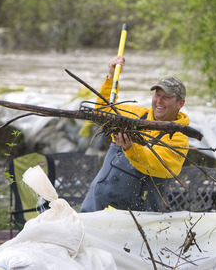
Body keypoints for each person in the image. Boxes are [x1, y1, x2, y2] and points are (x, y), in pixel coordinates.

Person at [80, 56, 189, 212]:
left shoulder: (178, 139)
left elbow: (158, 166)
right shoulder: (136, 115)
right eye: (157, 95)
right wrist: (111, 77)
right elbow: (103, 112)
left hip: (139, 221)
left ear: (180, 103)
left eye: (167, 97)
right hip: (95, 209)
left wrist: (131, 148)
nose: (159, 101)